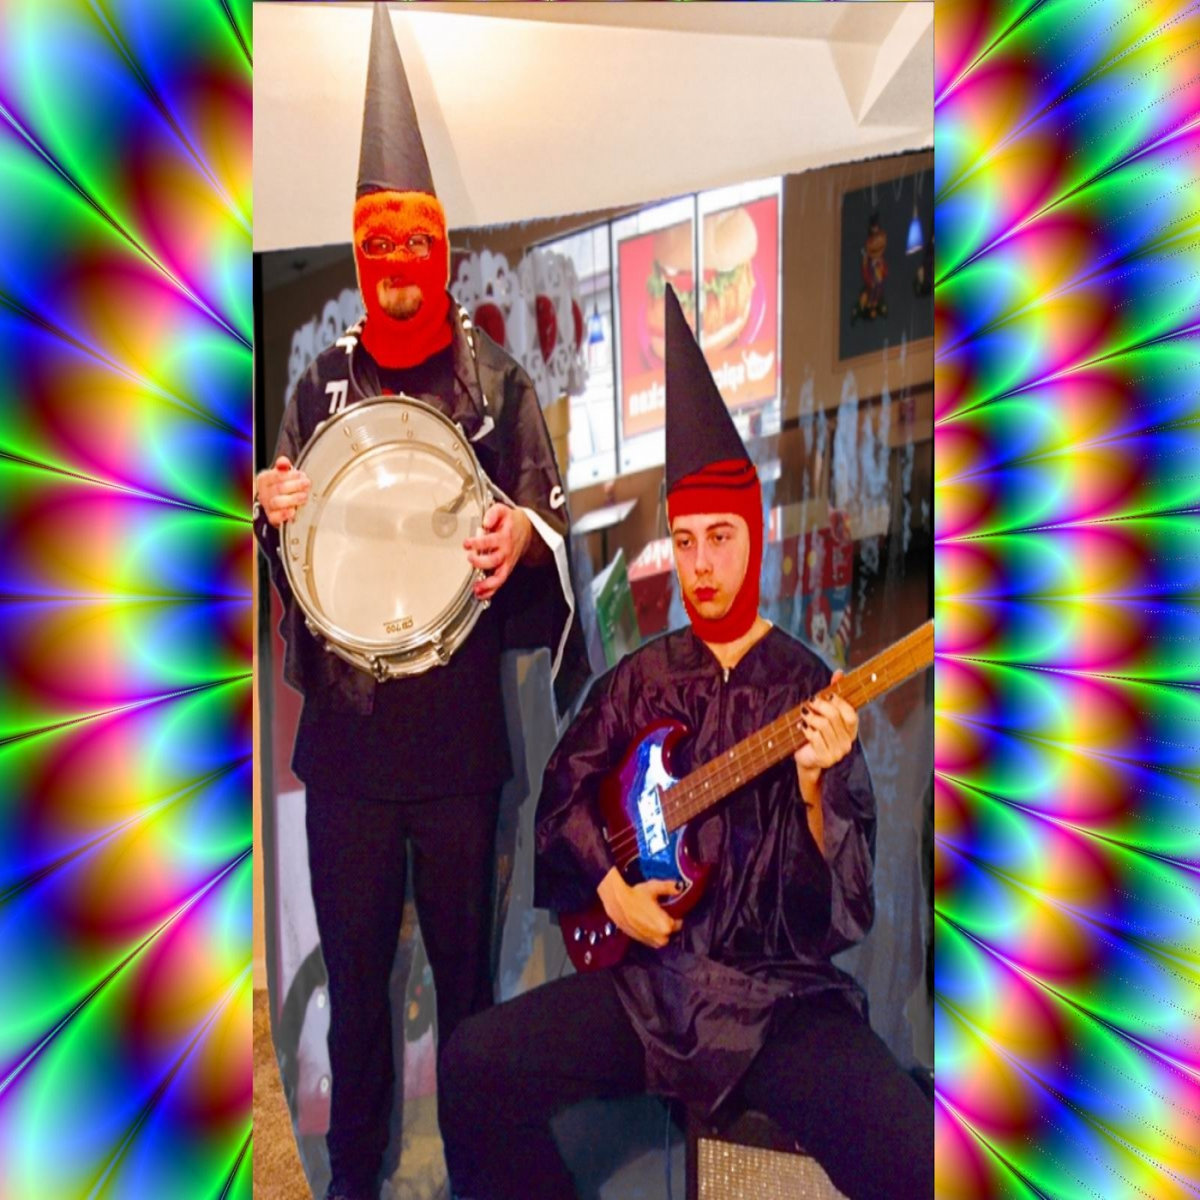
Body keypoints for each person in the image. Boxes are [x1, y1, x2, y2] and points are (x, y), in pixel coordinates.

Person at [439, 285, 933, 1200]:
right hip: (649, 988)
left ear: (755, 537)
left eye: (720, 538)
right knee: (474, 1063)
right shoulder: (641, 679)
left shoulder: (806, 686)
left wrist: (817, 791)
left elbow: (842, 909)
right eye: (685, 540)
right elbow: (562, 798)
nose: (701, 565)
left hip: (775, 1002)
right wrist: (611, 890)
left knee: (918, 1158)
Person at [253, 8, 583, 1199]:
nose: (396, 262)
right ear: (358, 252)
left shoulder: (498, 382)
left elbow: (549, 515)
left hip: (456, 747)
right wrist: (267, 511)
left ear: (442, 249)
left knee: (467, 984)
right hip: (346, 748)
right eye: (376, 242)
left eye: (415, 241)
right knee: (354, 988)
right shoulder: (317, 386)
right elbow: (285, 546)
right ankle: (356, 1176)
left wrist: (525, 535)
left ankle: (479, 1172)